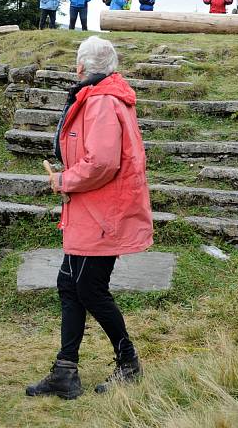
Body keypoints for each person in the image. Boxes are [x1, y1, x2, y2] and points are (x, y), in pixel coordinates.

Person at [26, 36, 153, 400]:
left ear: (81, 67)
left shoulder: (100, 102)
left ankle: (128, 364)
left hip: (102, 213)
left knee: (89, 289)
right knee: (70, 284)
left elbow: (102, 162)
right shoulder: (106, 96)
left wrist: (64, 179)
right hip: (91, 211)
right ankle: (65, 370)